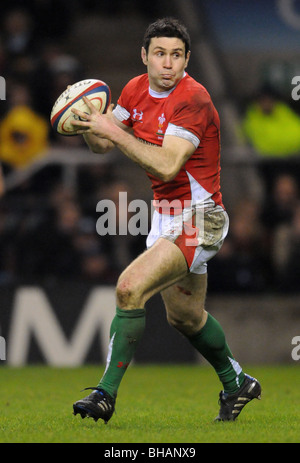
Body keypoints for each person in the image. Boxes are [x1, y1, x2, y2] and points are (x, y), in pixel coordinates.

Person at [71, 18, 261, 423]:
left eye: (176, 55)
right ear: (145, 56)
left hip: (202, 217)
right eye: (160, 53)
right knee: (185, 317)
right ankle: (237, 382)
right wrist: (89, 123)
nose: (168, 63)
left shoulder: (194, 98)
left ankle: (104, 394)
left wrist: (114, 132)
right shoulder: (135, 89)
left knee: (128, 289)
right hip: (164, 218)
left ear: (187, 59)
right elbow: (103, 144)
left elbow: (170, 164)